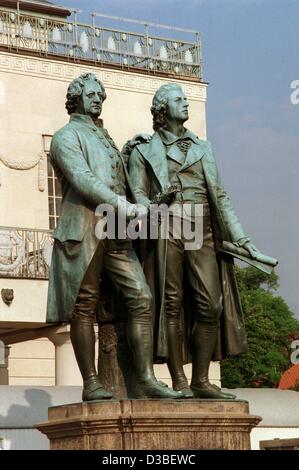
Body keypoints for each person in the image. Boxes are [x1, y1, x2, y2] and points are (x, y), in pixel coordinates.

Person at [46, 73, 180, 401]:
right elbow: (83, 178)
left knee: (142, 297)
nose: (97, 100)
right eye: (91, 95)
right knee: (84, 305)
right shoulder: (66, 137)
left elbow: (112, 173)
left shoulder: (104, 137)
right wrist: (122, 204)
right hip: (84, 230)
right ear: (75, 99)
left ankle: (147, 378)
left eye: (100, 96)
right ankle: (91, 382)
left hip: (116, 230)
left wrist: (126, 153)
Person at [128, 83, 264, 399]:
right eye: (178, 100)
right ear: (162, 110)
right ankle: (179, 380)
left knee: (211, 304)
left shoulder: (203, 147)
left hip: (201, 226)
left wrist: (241, 237)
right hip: (167, 225)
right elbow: (137, 199)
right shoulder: (143, 150)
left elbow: (220, 195)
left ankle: (201, 379)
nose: (186, 104)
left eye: (186, 99)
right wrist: (158, 200)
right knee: (171, 303)